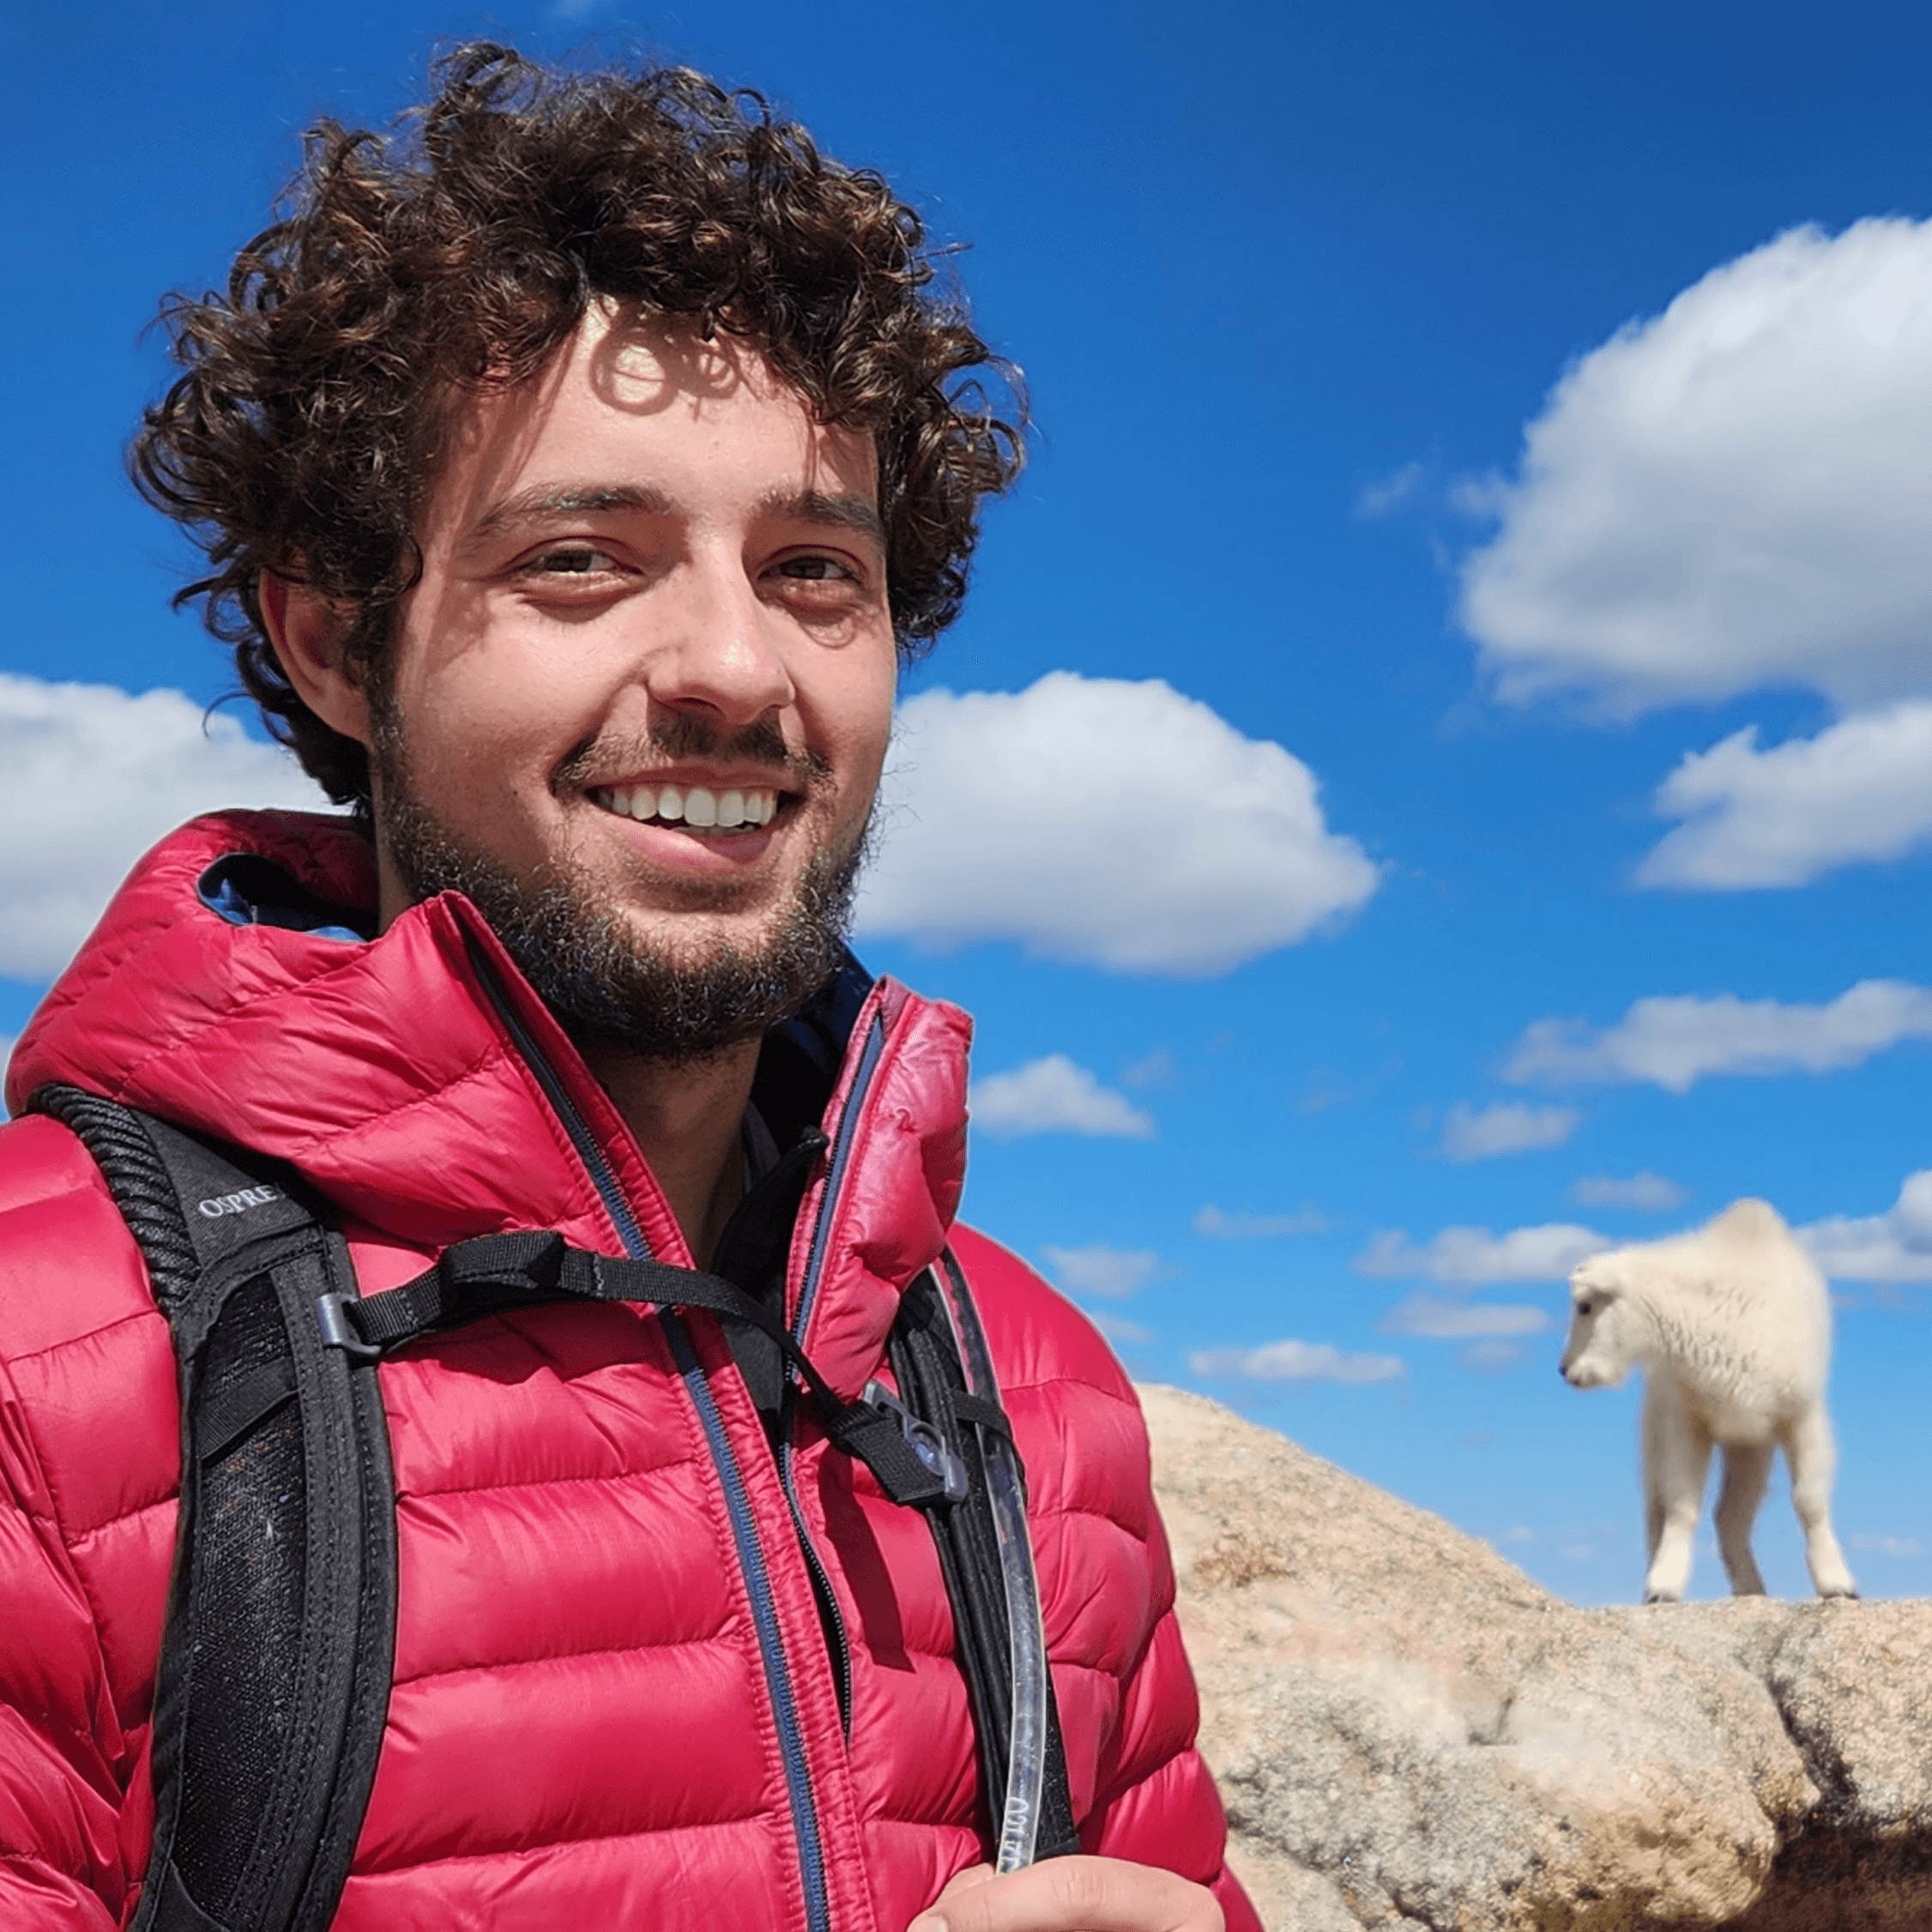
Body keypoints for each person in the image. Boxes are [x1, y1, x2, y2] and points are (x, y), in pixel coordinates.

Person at [0, 45, 1255, 1932]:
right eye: (585, 558)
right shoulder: (49, 1363)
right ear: (340, 644)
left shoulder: (1030, 1393)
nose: (737, 669)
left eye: (817, 569)